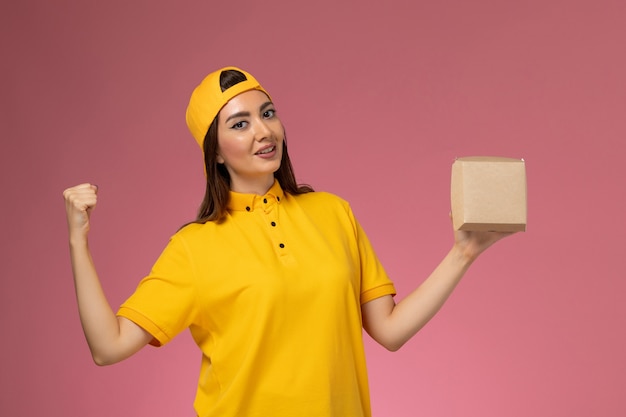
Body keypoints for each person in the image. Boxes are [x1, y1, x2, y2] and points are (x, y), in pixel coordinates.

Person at [63, 66, 512, 417]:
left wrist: (464, 251)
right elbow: (109, 347)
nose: (264, 131)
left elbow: (389, 331)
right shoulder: (193, 248)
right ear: (215, 151)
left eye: (268, 113)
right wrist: (78, 240)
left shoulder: (334, 213)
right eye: (240, 124)